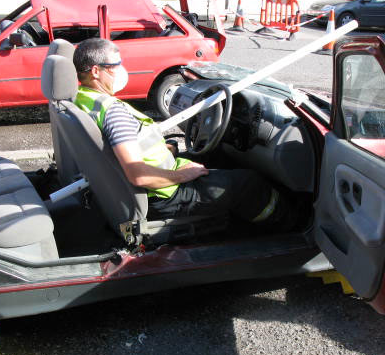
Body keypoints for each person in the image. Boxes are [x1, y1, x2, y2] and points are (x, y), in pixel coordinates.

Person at [72, 38, 293, 226]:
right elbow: (138, 174)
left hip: (136, 185)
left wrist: (166, 151)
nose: (121, 70)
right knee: (249, 183)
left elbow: (118, 148)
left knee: (211, 157)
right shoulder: (113, 113)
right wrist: (182, 175)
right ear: (95, 71)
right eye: (116, 65)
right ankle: (286, 222)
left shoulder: (82, 100)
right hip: (162, 194)